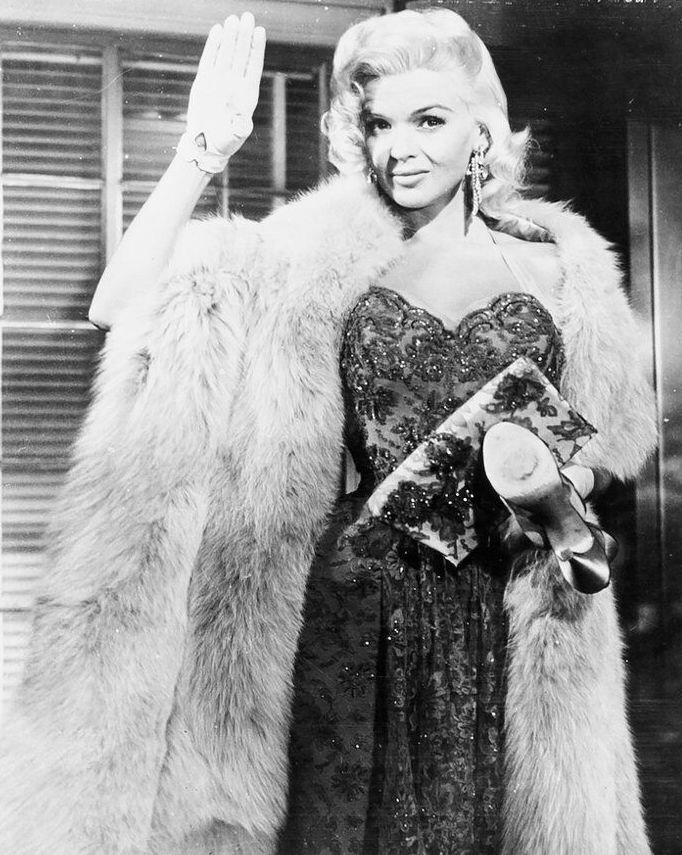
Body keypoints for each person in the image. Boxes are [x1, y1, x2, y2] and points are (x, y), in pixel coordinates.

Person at [0, 8, 656, 855]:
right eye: (380, 124)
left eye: (429, 121)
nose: (400, 149)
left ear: (482, 134)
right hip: (355, 609)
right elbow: (120, 308)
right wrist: (199, 153)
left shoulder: (562, 267)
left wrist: (552, 492)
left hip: (512, 613)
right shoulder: (314, 255)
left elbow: (608, 444)